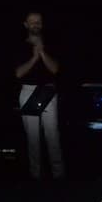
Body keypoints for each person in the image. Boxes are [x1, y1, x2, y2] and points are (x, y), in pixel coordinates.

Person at [14, 12, 64, 180]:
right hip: (28, 91)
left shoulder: (51, 43)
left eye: (38, 22)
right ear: (26, 24)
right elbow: (18, 73)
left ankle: (59, 177)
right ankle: (35, 177)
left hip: (48, 91)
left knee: (53, 136)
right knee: (32, 138)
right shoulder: (20, 45)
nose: (36, 24)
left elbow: (55, 69)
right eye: (32, 22)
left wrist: (42, 51)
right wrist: (34, 57)